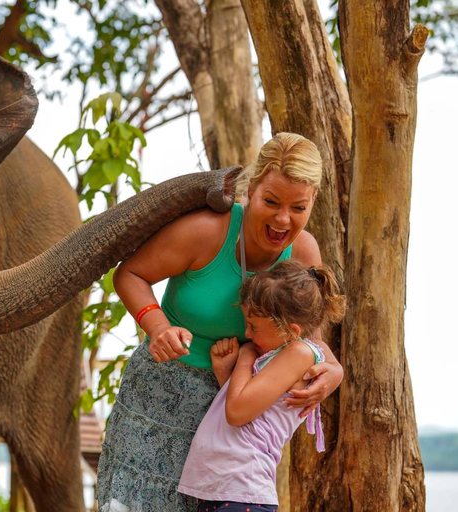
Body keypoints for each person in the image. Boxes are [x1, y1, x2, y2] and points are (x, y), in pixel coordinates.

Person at [97, 132, 344, 512]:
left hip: (236, 430)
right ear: (250, 191)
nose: (282, 219)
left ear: (313, 204)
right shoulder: (206, 231)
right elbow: (130, 274)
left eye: (298, 207)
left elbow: (304, 337)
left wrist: (334, 370)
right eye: (271, 201)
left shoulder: (304, 253)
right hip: (159, 401)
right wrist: (157, 326)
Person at [177, 261, 346, 512]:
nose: (247, 333)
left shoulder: (300, 353)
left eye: (253, 326)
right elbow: (251, 410)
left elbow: (236, 413)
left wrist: (245, 356)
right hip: (228, 488)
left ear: (290, 331)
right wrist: (225, 372)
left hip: (242, 488)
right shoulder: (277, 356)